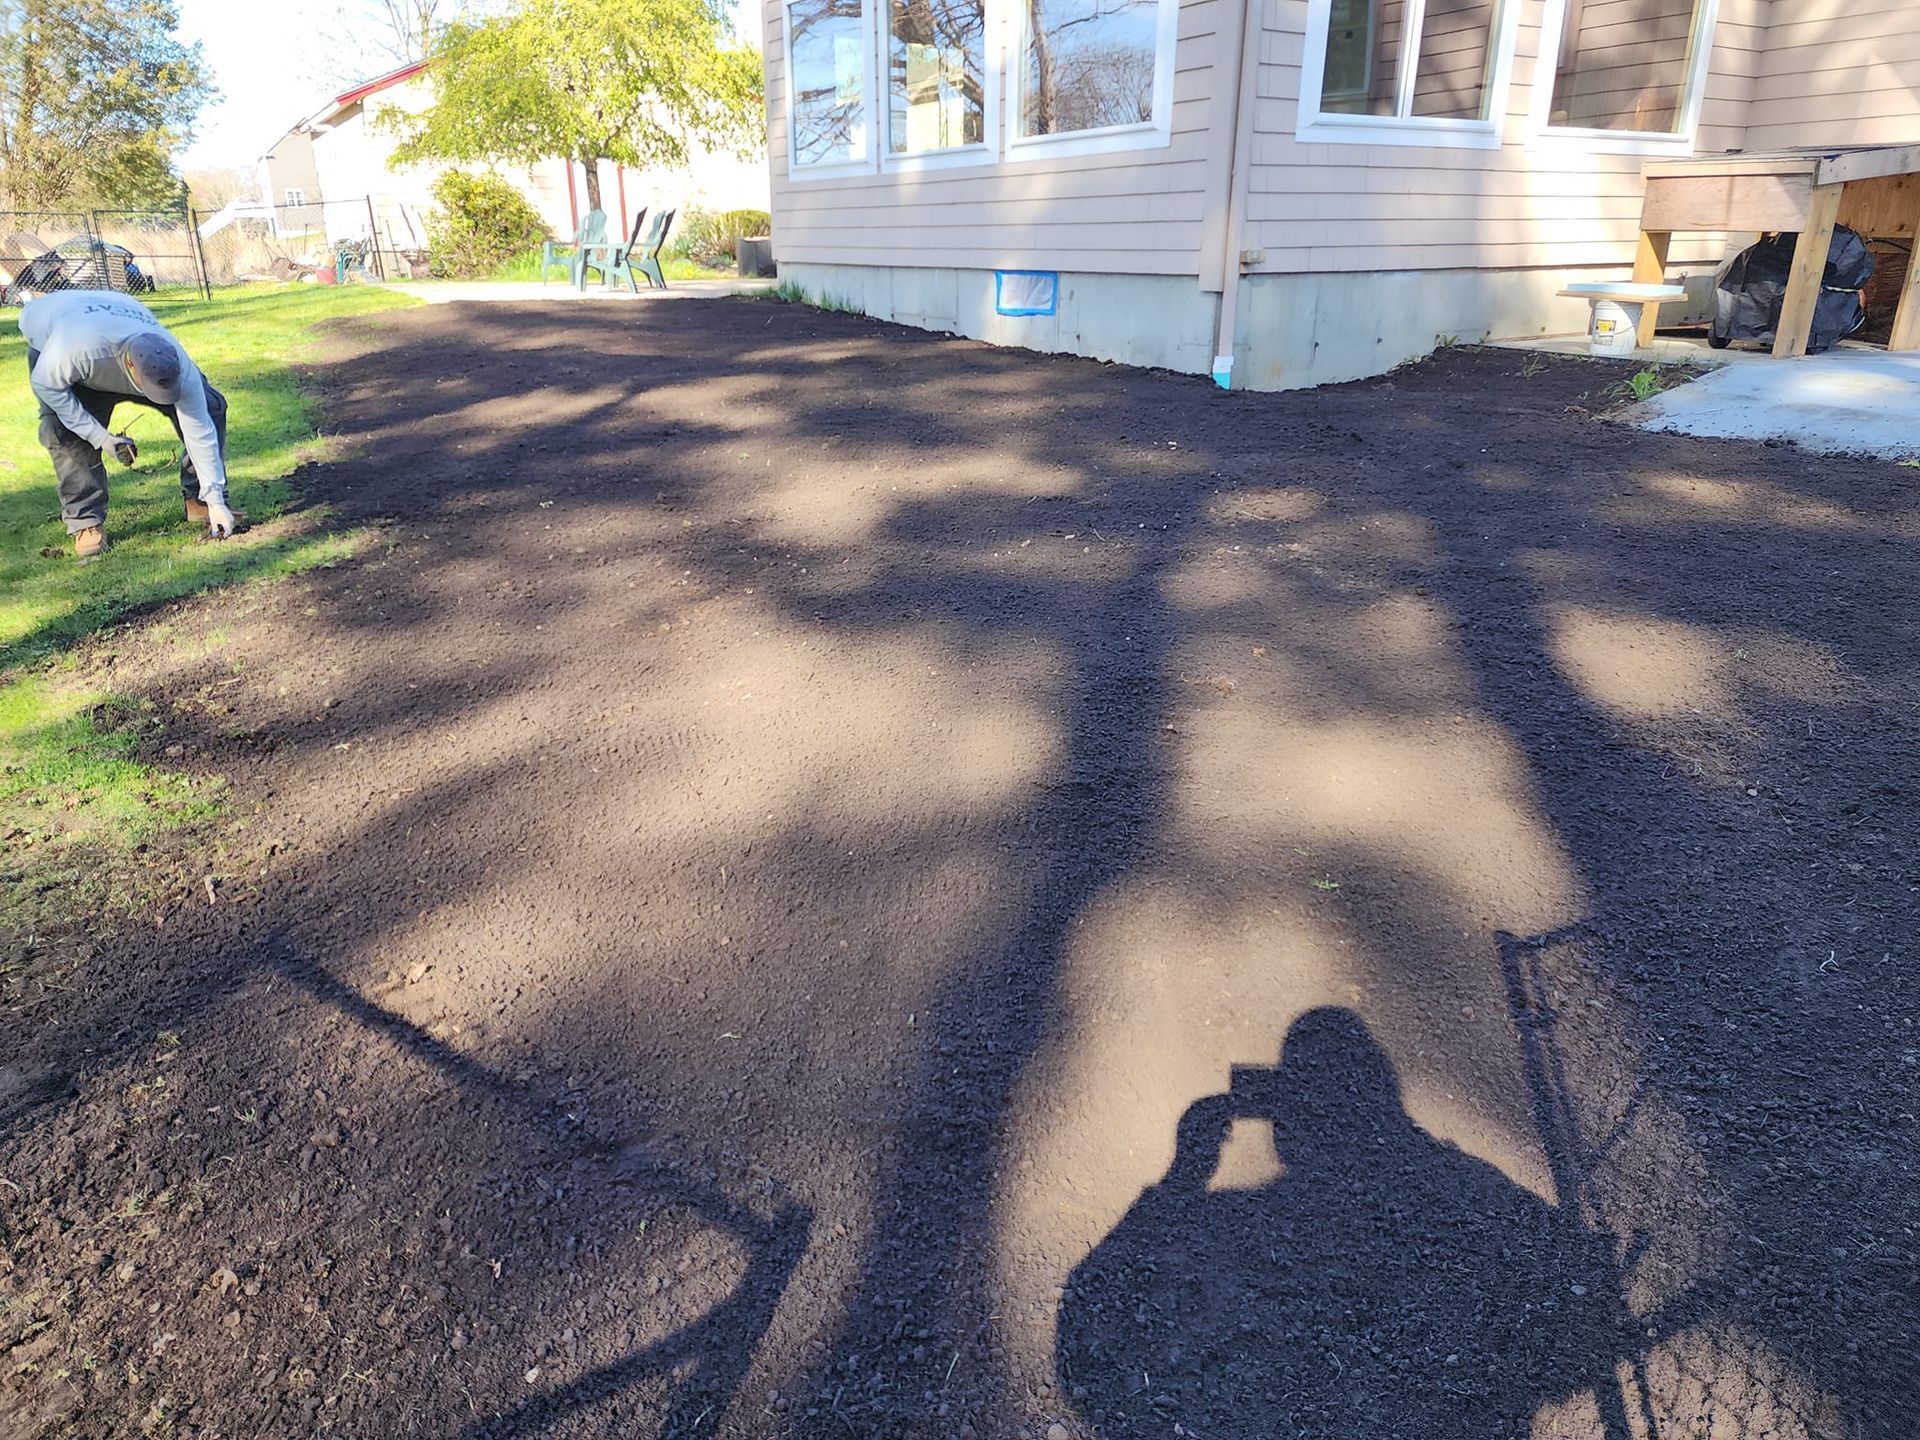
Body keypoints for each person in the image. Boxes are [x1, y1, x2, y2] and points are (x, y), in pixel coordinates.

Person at [19, 288, 242, 561]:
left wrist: (215, 498)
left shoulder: (180, 365)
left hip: (116, 318)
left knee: (211, 407)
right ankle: (85, 522)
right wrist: (100, 437)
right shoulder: (74, 351)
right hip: (61, 343)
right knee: (64, 435)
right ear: (132, 370)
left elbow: (199, 428)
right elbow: (46, 386)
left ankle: (200, 500)